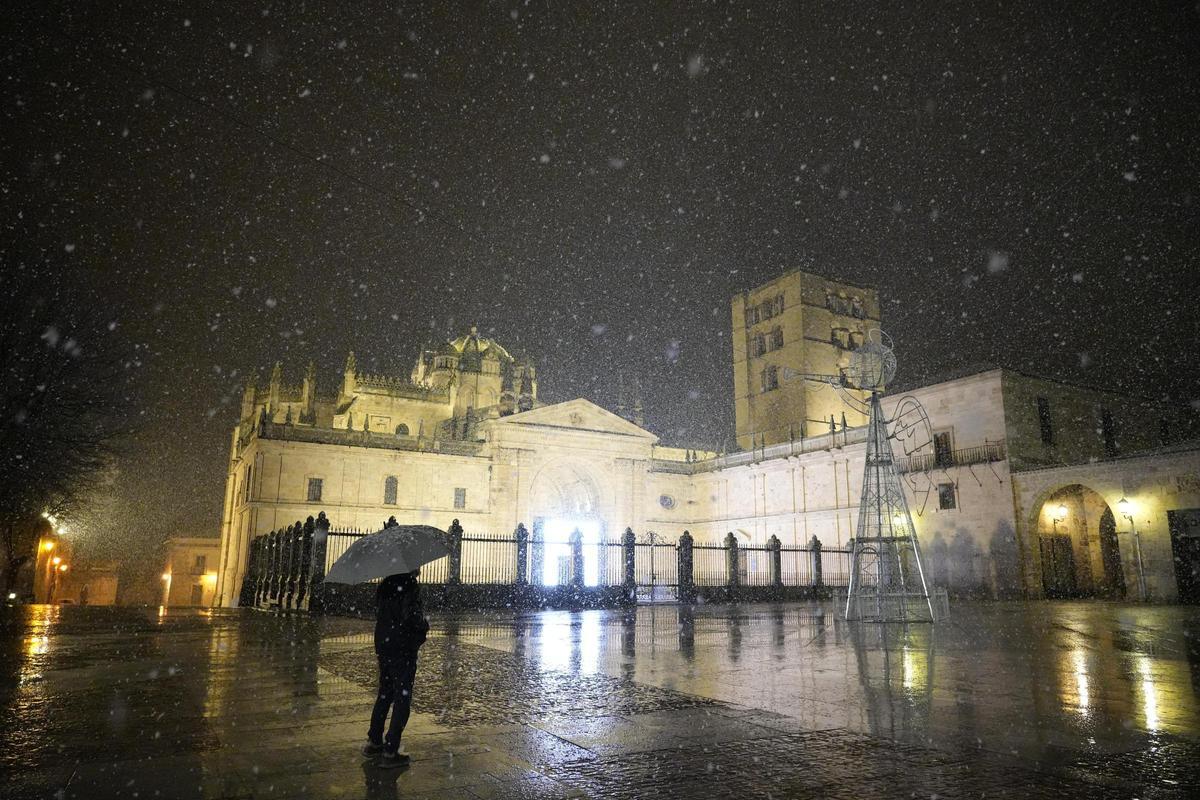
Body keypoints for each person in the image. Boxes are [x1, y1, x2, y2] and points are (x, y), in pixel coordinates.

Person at [362, 570, 428, 768]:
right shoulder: (409, 585)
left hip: (385, 643)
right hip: (402, 647)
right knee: (402, 697)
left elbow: (381, 613)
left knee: (385, 693)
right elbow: (411, 617)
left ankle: (374, 741)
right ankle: (391, 749)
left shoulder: (385, 585)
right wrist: (424, 624)